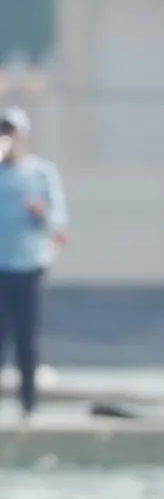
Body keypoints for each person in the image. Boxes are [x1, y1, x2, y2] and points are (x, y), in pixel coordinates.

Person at [0, 107, 68, 421]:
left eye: (10, 132)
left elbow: (58, 222)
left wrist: (40, 214)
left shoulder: (41, 173)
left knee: (27, 338)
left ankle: (28, 406)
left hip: (28, 267)